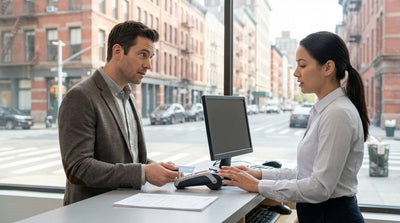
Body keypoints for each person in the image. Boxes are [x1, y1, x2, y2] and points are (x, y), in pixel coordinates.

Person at [218, 31, 369, 223]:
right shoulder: (324, 110)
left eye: (303, 65)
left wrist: (257, 186)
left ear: (328, 67)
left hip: (331, 216)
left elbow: (320, 187)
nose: (295, 72)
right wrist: (258, 174)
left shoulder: (337, 113)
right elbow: (303, 173)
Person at [58, 21, 180, 205]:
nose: (148, 65)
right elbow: (78, 168)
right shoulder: (80, 97)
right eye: (142, 55)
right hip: (92, 213)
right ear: (117, 51)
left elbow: (133, 158)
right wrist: (144, 172)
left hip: (126, 207)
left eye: (151, 57)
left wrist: (159, 169)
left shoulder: (128, 95)